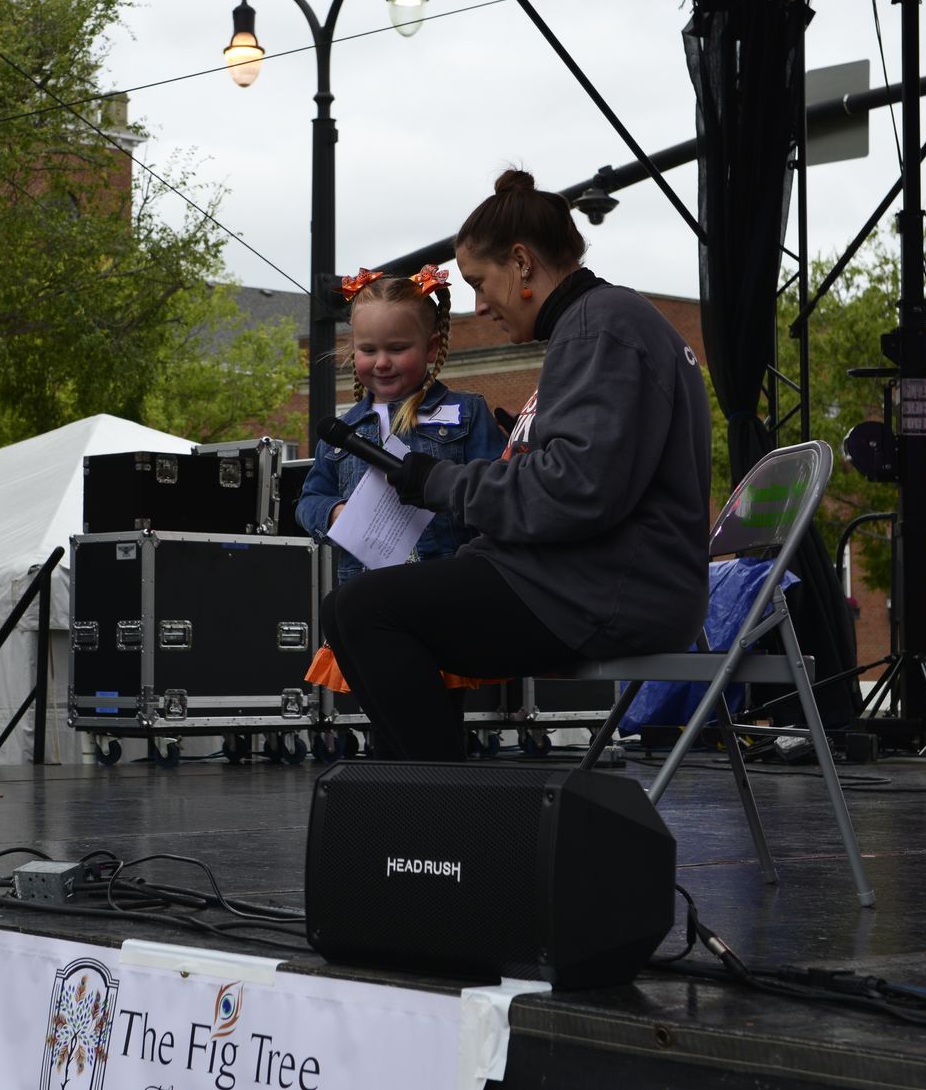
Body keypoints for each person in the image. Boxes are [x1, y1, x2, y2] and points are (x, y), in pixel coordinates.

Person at [323, 170, 712, 760]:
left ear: (523, 263)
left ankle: (444, 814)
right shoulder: (601, 326)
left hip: (605, 592)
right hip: (597, 582)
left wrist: (438, 480)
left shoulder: (600, 327)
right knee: (380, 606)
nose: (480, 305)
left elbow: (574, 491)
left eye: (482, 282)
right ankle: (428, 803)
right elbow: (584, 470)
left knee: (361, 610)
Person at [296, 265, 506, 693]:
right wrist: (333, 511)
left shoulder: (467, 413)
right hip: (366, 593)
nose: (382, 362)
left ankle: (435, 764)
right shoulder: (343, 428)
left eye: (397, 347)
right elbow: (308, 498)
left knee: (437, 710)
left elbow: (498, 490)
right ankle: (395, 764)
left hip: (444, 590)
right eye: (368, 349)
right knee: (387, 710)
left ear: (431, 348)